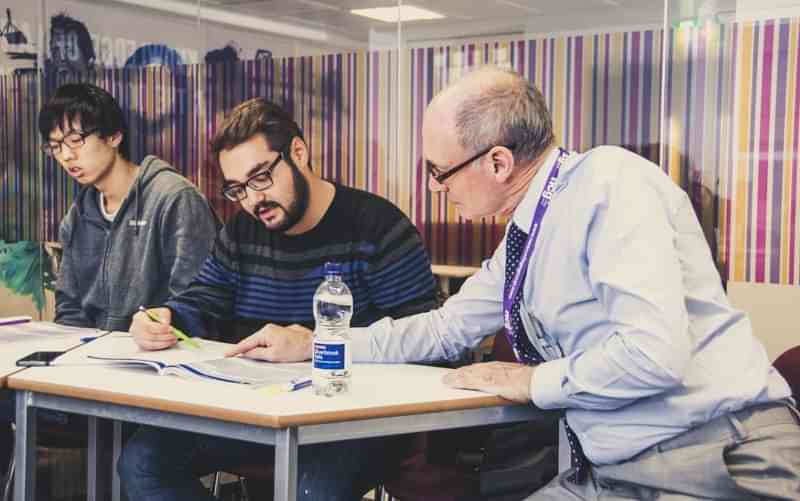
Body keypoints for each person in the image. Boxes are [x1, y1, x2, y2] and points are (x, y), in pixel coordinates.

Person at [229, 66, 800, 500]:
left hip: (717, 460)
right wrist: (320, 344)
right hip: (619, 470)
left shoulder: (610, 185)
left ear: (497, 162)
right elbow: (445, 328)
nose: (434, 189)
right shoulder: (532, 226)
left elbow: (653, 355)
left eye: (439, 172)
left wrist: (532, 381)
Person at [119, 97, 438, 500]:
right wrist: (166, 317)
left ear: (299, 154)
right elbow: (204, 302)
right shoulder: (240, 234)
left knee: (312, 489)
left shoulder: (377, 227)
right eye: (238, 189)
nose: (253, 200)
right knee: (142, 461)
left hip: (353, 422)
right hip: (255, 411)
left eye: (261, 178)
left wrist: (315, 345)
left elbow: (425, 340)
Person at [0, 82, 219, 480]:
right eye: (55, 145)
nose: (66, 155)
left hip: (155, 383)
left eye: (76, 139)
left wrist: (158, 324)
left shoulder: (173, 199)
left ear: (114, 136)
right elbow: (68, 306)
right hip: (88, 377)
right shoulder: (81, 211)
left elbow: (199, 304)